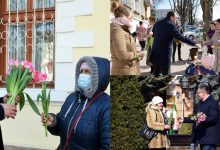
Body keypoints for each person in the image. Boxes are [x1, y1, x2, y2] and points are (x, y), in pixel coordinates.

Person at [41, 56, 110, 150]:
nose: (82, 75)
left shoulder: (106, 105)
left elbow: (107, 146)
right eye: (81, 71)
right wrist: (53, 122)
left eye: (87, 71)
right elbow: (63, 129)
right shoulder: (72, 98)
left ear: (98, 76)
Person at [149, 11, 196, 76]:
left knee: (155, 74)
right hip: (164, 54)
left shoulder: (157, 23)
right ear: (171, 17)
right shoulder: (170, 25)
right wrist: (193, 43)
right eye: (176, 18)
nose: (176, 20)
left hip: (155, 53)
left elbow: (153, 35)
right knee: (165, 75)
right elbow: (180, 37)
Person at [179, 84, 220, 150]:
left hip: (209, 138)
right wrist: (184, 119)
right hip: (202, 137)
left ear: (203, 93)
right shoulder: (200, 103)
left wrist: (204, 119)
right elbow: (196, 117)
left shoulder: (212, 103)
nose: (197, 94)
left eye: (198, 92)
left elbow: (213, 118)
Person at [110, 5, 144, 75]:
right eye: (130, 18)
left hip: (130, 69)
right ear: (123, 16)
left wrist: (135, 52)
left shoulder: (123, 28)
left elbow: (127, 48)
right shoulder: (117, 30)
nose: (131, 20)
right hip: (124, 72)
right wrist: (137, 54)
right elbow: (122, 55)